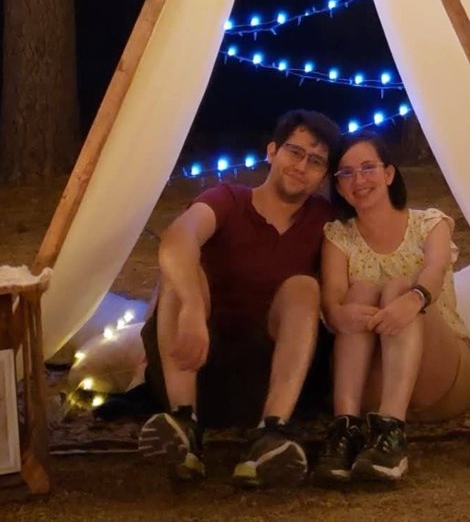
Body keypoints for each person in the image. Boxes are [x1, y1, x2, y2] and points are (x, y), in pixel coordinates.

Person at [138, 108, 339, 487]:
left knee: (304, 287)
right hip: (194, 360)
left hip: (266, 378)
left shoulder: (323, 219)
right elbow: (177, 238)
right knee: (183, 269)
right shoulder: (228, 199)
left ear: (323, 176)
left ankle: (272, 432)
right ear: (272, 151)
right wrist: (192, 309)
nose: (301, 167)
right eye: (295, 152)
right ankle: (184, 423)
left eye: (315, 162)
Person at [315, 130, 470, 484]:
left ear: (388, 174)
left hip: (441, 375)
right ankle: (345, 429)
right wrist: (340, 314)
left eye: (368, 168)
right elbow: (332, 299)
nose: (359, 180)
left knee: (399, 287)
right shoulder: (338, 236)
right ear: (339, 186)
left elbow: (434, 270)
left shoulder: (429, 224)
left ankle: (391, 432)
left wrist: (412, 300)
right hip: (372, 385)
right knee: (359, 293)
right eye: (346, 173)